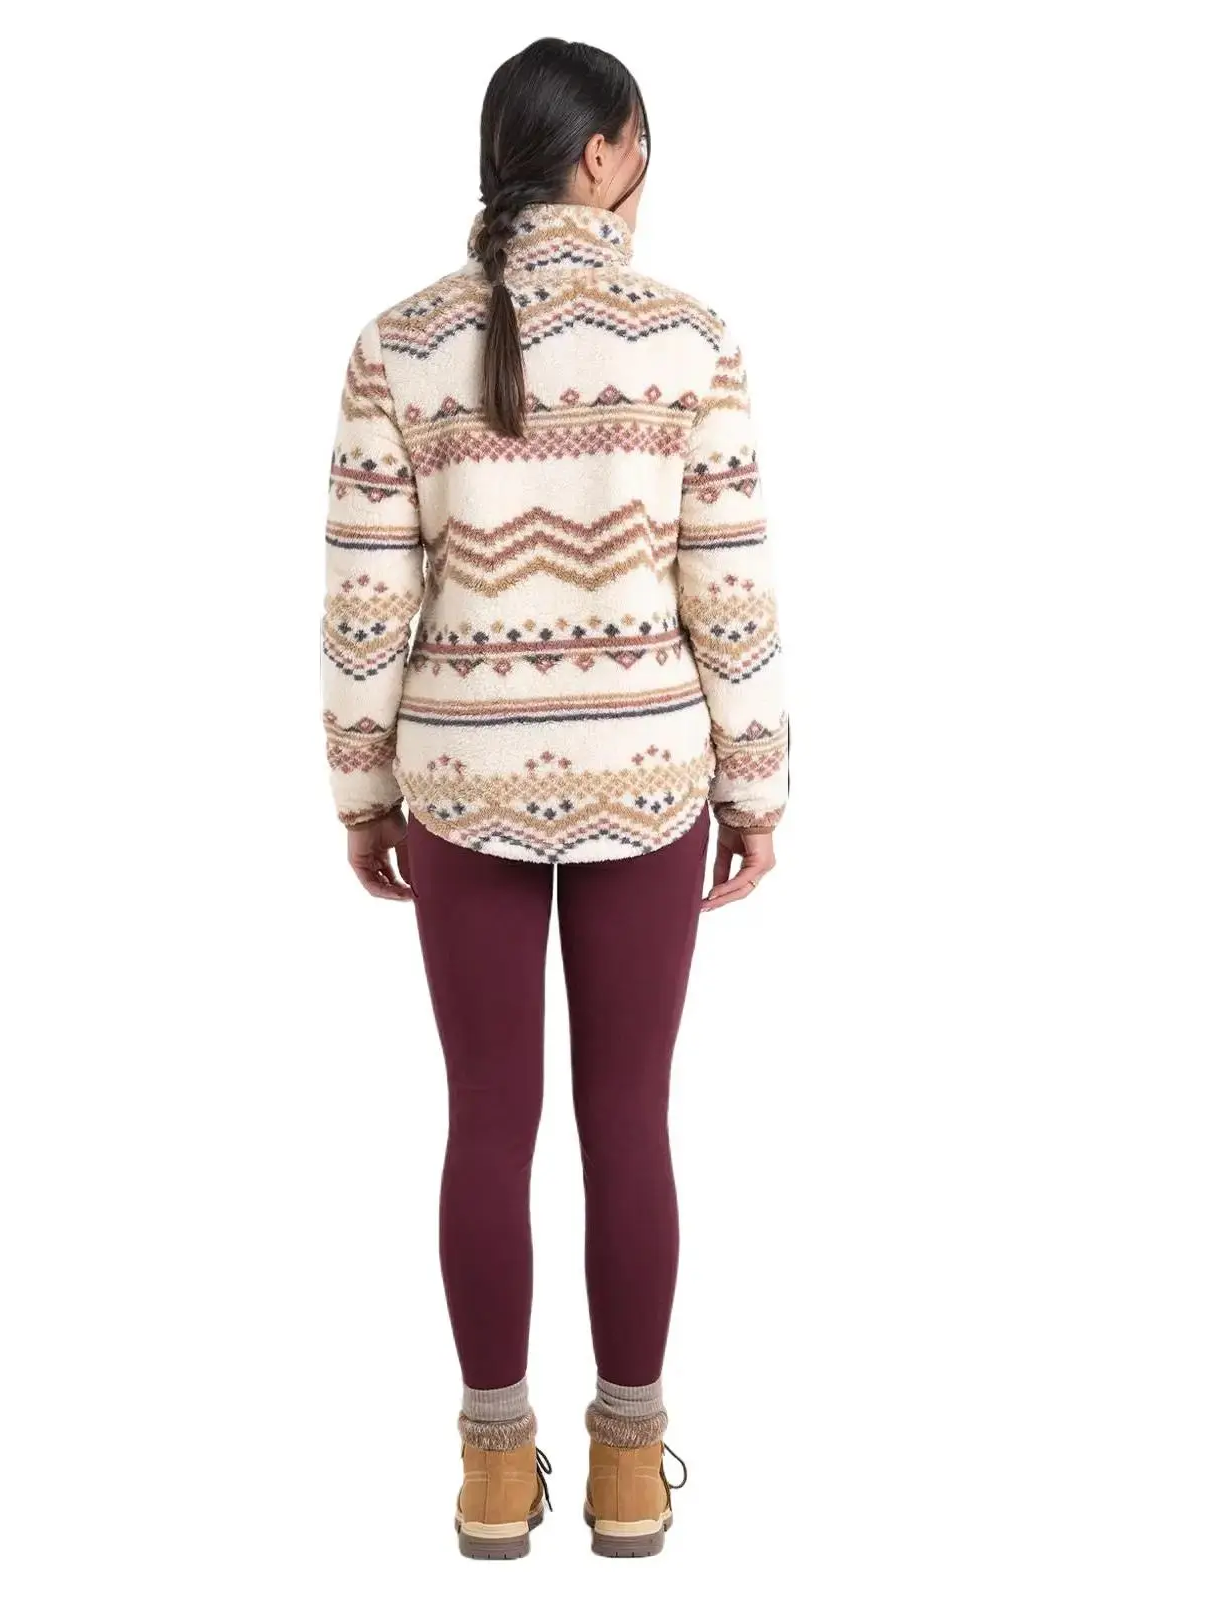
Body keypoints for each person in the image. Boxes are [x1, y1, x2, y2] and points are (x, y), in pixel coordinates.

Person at [319, 36, 789, 1560]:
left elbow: (364, 603)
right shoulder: (692, 341)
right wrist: (758, 781)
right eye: (641, 145)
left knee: (486, 1121)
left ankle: (492, 1473)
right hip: (648, 779)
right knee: (629, 1118)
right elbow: (729, 589)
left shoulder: (398, 345)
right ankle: (632, 1471)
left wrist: (362, 789)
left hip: (459, 786)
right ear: (601, 155)